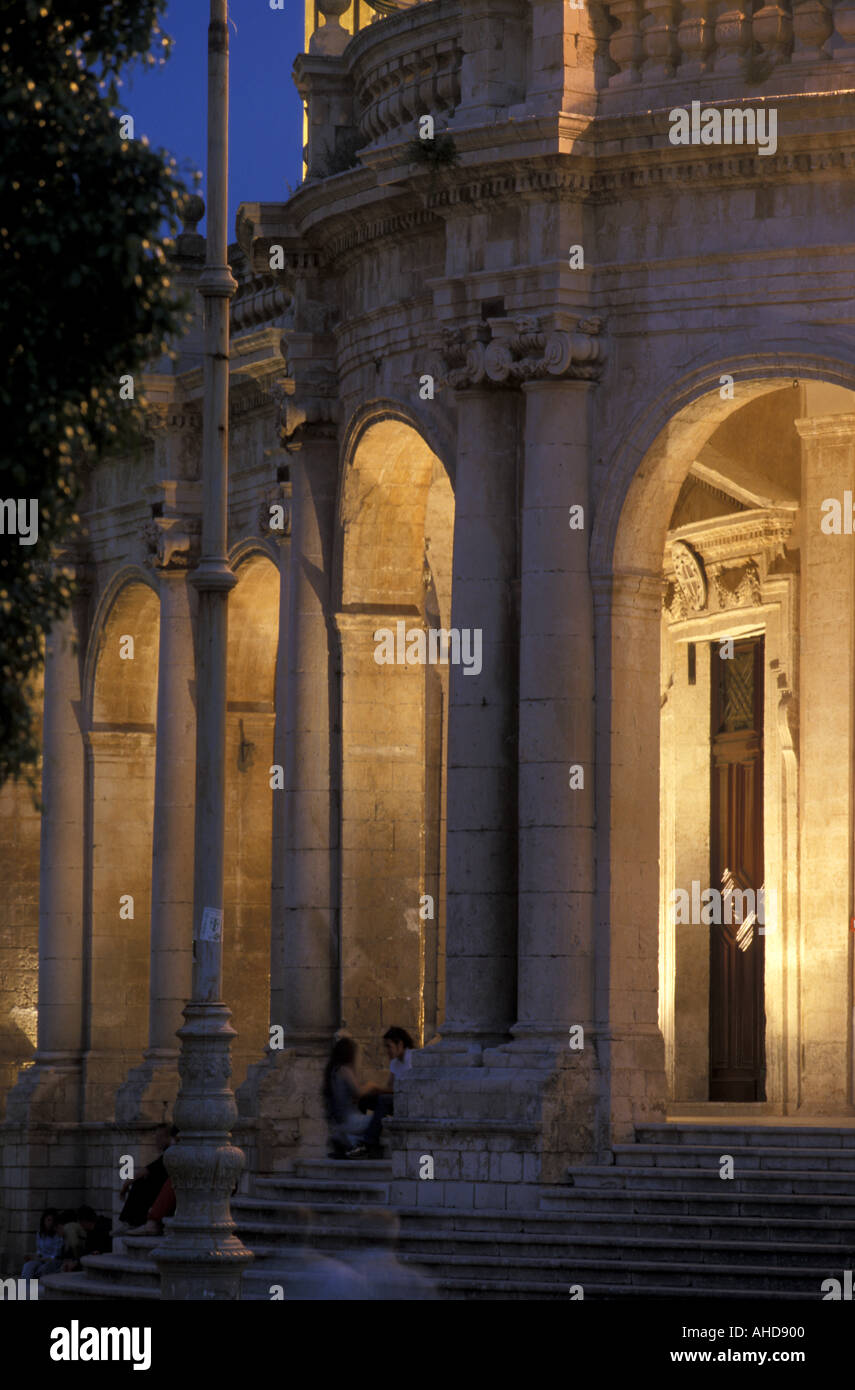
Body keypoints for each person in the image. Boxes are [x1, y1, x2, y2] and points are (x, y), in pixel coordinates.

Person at [361, 1026, 416, 1152]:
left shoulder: (412, 1058)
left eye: (389, 1046)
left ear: (400, 1044)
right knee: (365, 1100)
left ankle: (370, 1142)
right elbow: (389, 1087)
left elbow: (405, 1090)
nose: (387, 1051)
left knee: (384, 1100)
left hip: (408, 1101)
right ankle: (359, 1138)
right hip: (395, 1099)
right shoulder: (394, 1063)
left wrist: (377, 1088)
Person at [322, 1036, 376, 1159]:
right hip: (351, 1121)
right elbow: (359, 1092)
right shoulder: (345, 1069)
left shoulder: (332, 1072)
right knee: (380, 1120)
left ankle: (348, 1141)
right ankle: (356, 1144)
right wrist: (371, 1085)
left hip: (338, 1123)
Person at [116, 1123, 176, 1231]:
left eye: (160, 1138)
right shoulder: (168, 1154)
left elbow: (141, 1173)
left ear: (169, 1138)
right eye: (156, 1138)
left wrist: (124, 1188)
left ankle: (133, 1222)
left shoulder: (170, 1154)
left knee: (140, 1183)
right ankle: (132, 1222)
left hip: (165, 1192)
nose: (156, 1141)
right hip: (164, 1191)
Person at [21, 1207, 63, 1279]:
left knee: (42, 1270)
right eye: (48, 1220)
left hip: (53, 1262)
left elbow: (56, 1255)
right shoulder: (40, 1233)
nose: (50, 1223)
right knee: (27, 1266)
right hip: (41, 1260)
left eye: (52, 1220)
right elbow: (39, 1251)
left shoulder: (58, 1234)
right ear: (43, 1220)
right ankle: (26, 1288)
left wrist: (43, 1259)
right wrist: (32, 1256)